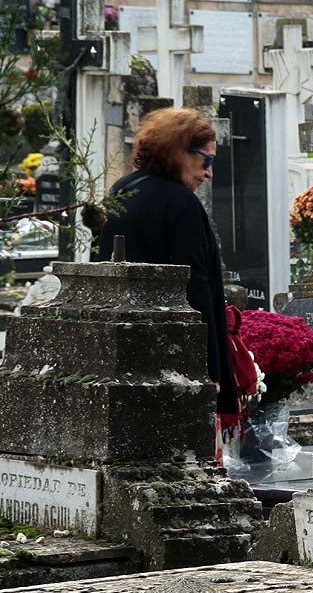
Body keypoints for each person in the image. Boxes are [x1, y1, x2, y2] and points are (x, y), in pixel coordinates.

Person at [92, 108, 239, 423]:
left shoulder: (121, 190)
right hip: (176, 359)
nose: (209, 173)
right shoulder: (181, 203)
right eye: (206, 161)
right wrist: (211, 372)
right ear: (180, 152)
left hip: (122, 353)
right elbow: (197, 288)